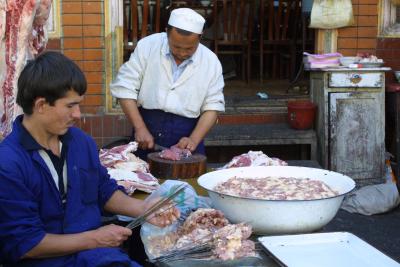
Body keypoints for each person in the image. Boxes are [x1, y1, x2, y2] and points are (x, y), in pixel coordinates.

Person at [0, 51, 180, 267]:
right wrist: (95, 238)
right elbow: (25, 244)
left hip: (97, 258)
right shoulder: (9, 162)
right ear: (41, 105)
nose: (78, 114)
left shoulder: (80, 142)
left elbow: (103, 190)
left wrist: (145, 209)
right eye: (70, 106)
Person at [111, 8, 225, 160]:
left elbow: (213, 106)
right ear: (167, 33)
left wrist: (193, 140)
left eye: (190, 48)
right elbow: (125, 87)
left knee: (187, 182)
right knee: (142, 180)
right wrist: (140, 128)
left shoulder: (211, 61)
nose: (182, 53)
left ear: (200, 37)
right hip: (147, 129)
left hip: (187, 134)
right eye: (176, 47)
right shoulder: (148, 46)